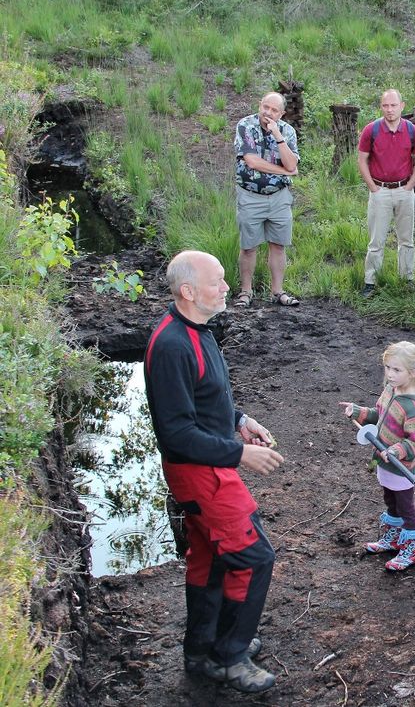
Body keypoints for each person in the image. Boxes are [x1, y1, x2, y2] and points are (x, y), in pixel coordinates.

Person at [144, 250, 283, 693]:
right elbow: (176, 433)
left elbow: (209, 396)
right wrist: (238, 455)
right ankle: (229, 657)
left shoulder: (198, 330)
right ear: (188, 292)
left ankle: (202, 648)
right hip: (199, 472)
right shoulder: (170, 346)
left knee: (207, 558)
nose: (226, 287)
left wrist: (241, 421)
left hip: (210, 462)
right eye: (216, 281)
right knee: (253, 556)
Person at [338, 341, 415, 571]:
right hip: (385, 464)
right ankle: (392, 540)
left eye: (397, 370)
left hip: (401, 469)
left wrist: (395, 451)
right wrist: (358, 411)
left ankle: (409, 550)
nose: (390, 374)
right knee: (390, 502)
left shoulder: (413, 408)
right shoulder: (390, 391)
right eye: (388, 368)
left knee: (406, 508)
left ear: (414, 372)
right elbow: (378, 416)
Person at [233, 92, 300, 308]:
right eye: (265, 107)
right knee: (249, 246)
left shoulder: (288, 132)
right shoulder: (246, 125)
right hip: (250, 195)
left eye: (274, 110)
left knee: (278, 245)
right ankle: (246, 291)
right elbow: (252, 161)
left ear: (281, 113)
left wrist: (278, 137)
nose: (268, 113)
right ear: (259, 105)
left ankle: (278, 291)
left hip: (279, 197)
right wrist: (284, 172)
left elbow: (291, 163)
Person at [357, 89, 415, 297]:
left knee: (406, 239)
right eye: (385, 106)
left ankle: (407, 279)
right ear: (381, 107)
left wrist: (410, 185)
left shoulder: (412, 131)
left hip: (404, 190)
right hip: (380, 191)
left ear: (402, 106)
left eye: (393, 105)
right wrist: (372, 187)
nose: (389, 110)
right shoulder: (372, 130)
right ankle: (371, 282)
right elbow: (362, 159)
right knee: (376, 240)